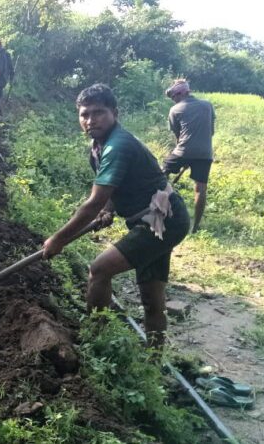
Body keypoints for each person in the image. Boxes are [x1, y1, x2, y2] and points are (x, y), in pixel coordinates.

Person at [43, 84, 191, 349]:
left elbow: (93, 202)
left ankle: (94, 339)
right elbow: (111, 190)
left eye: (98, 113)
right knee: (151, 295)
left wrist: (58, 239)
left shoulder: (118, 146)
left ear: (115, 113)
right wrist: (109, 209)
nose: (90, 120)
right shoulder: (99, 147)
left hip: (164, 220)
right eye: (84, 115)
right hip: (152, 220)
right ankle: (155, 356)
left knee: (99, 269)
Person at [162, 79, 215, 233]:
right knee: (200, 189)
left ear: (184, 92)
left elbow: (178, 136)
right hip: (205, 153)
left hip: (183, 151)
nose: (175, 99)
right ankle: (196, 227)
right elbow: (211, 131)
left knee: (160, 174)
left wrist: (186, 155)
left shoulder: (175, 110)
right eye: (173, 97)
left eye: (176, 95)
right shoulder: (207, 105)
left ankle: (158, 208)